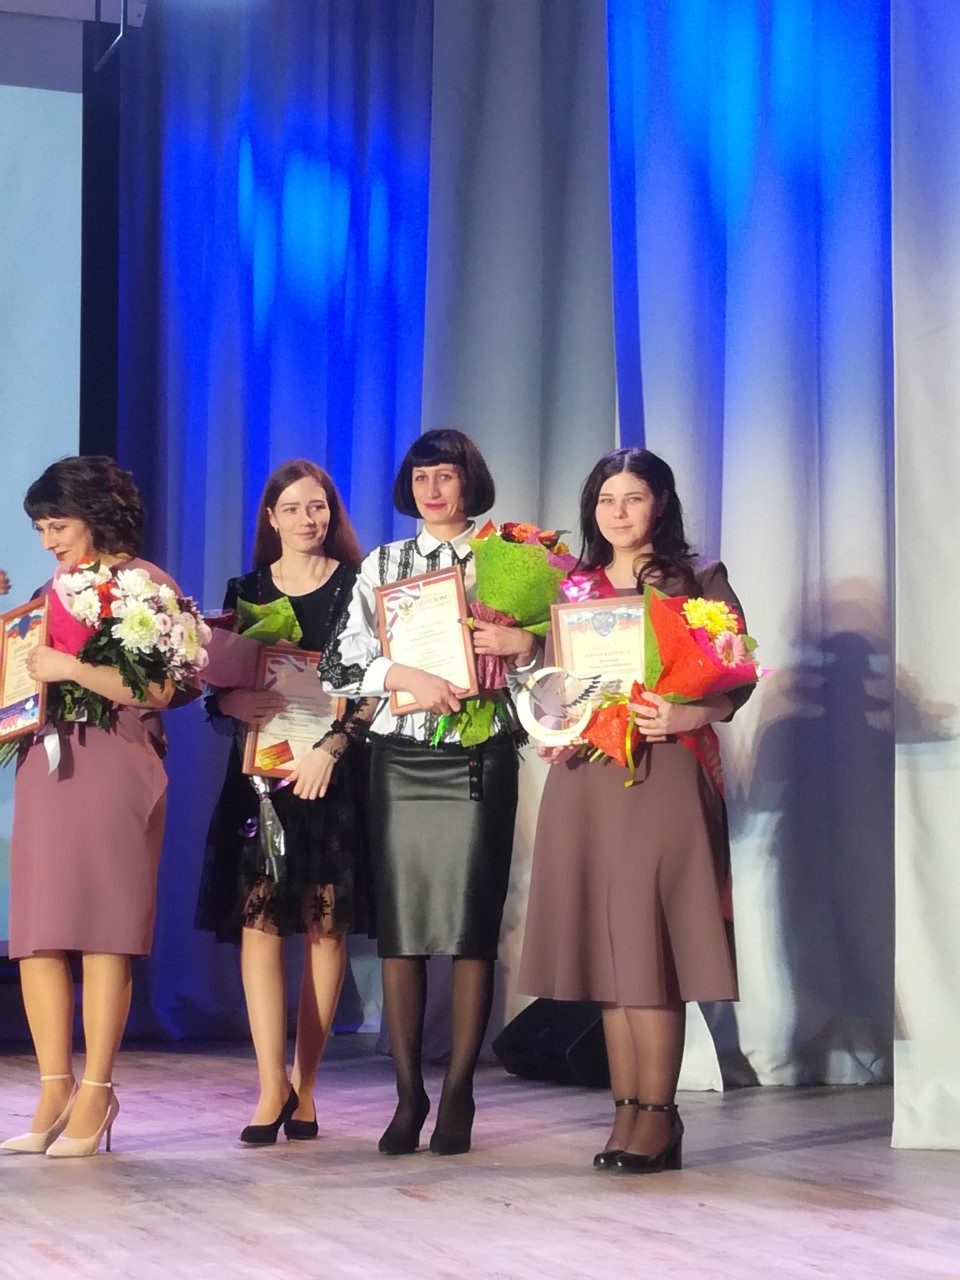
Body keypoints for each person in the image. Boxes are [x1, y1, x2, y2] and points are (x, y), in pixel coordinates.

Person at [518, 447, 752, 1174]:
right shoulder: (575, 585)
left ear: (661, 503)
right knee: (610, 953)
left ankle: (659, 1114)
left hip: (665, 771)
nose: (618, 512)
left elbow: (737, 677)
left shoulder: (697, 579)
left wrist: (692, 714)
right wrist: (552, 723)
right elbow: (558, 682)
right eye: (606, 499)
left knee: (652, 949)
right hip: (588, 775)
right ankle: (626, 1111)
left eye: (634, 497)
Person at [319, 429, 537, 1156]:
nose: (433, 489)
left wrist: (523, 646)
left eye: (446, 475)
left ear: (470, 481)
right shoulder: (384, 563)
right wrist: (402, 675)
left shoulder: (508, 557)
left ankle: (461, 1091)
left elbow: (556, 666)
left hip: (479, 752)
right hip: (402, 757)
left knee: (472, 930)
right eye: (421, 478)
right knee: (404, 930)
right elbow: (339, 663)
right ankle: (409, 1094)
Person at [2, 455, 200, 1158]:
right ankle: (54, 1086)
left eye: (57, 525)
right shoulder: (43, 594)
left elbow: (163, 691)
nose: (48, 540)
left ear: (95, 515)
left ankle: (97, 1089)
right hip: (47, 764)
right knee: (38, 931)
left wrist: (72, 669)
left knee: (104, 929)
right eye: (40, 528)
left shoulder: (145, 586)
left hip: (116, 763)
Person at [195, 459, 375, 1145]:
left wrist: (333, 746)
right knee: (261, 925)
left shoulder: (357, 584)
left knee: (325, 929)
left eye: (318, 506)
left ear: (332, 513)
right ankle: (271, 1085)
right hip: (262, 779)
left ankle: (308, 1085)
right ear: (271, 518)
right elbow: (220, 688)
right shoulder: (246, 591)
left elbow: (371, 687)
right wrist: (231, 701)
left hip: (331, 774)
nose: (308, 519)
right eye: (293, 508)